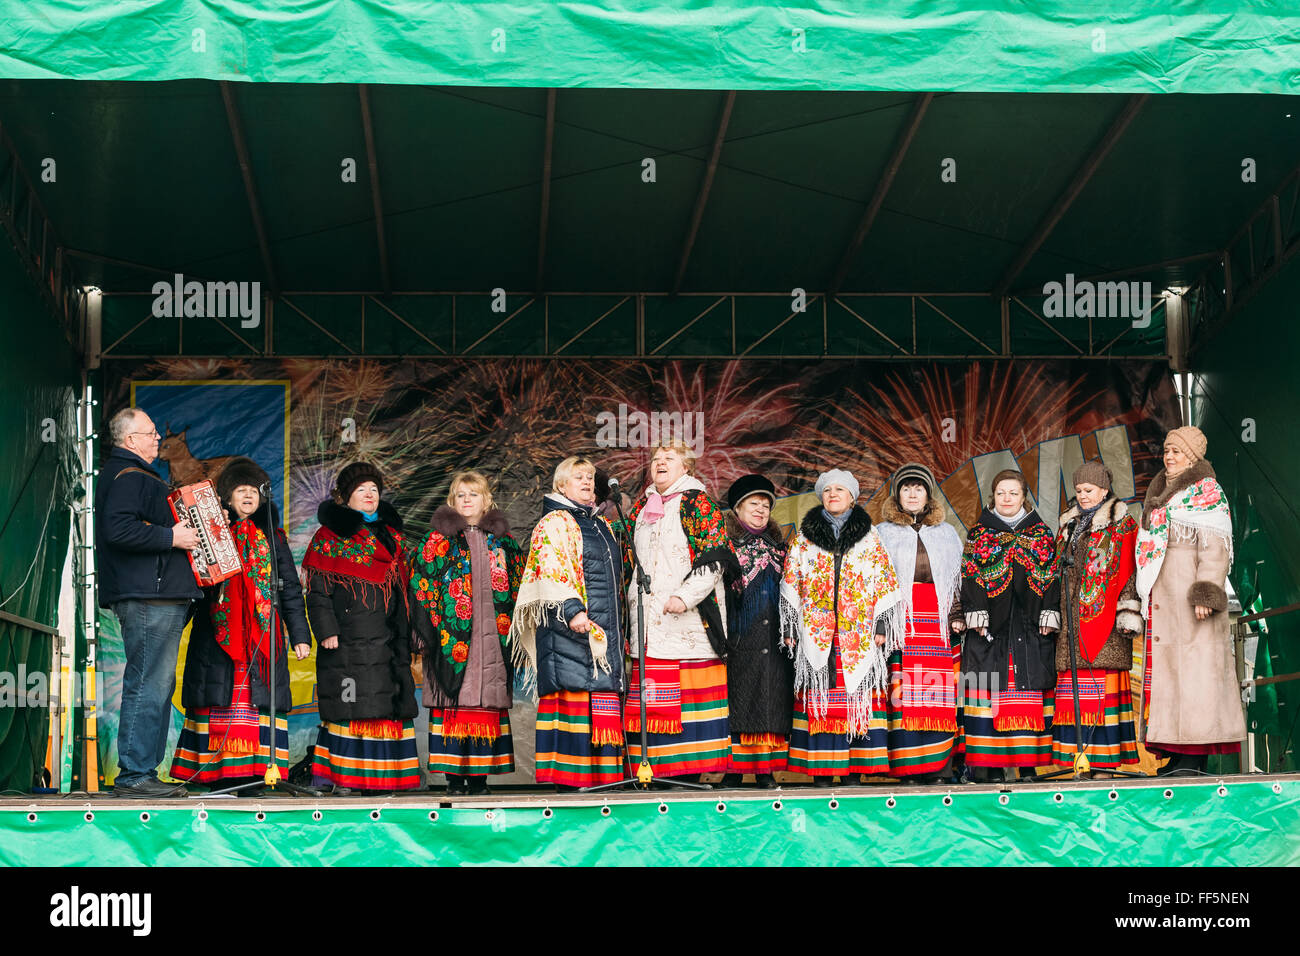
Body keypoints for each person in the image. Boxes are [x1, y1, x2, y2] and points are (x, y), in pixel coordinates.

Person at [171, 457, 312, 789]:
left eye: (253, 491)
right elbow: (194, 584)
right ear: (228, 497)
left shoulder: (272, 539)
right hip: (217, 636)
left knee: (257, 702)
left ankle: (259, 775)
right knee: (222, 700)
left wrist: (300, 635)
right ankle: (217, 776)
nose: (248, 497)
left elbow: (289, 587)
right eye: (240, 491)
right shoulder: (211, 534)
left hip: (262, 639)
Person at [96, 407, 201, 798]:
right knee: (148, 683)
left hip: (156, 593)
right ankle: (135, 774)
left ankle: (143, 772)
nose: (157, 438)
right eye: (151, 432)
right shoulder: (127, 476)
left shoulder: (137, 475)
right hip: (147, 595)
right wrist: (172, 538)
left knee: (156, 683)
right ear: (130, 441)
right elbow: (118, 528)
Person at [301, 462, 420, 794]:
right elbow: (318, 591)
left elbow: (408, 591)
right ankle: (344, 778)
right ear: (346, 497)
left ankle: (388, 778)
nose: (369, 495)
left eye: (374, 490)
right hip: (347, 643)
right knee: (350, 701)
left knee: (388, 702)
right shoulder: (329, 538)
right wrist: (325, 631)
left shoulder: (393, 538)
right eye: (361, 490)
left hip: (388, 641)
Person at [623, 441, 737, 781]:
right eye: (656, 458)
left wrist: (685, 597)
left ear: (685, 468)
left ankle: (686, 776)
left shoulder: (697, 502)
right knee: (652, 702)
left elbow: (716, 557)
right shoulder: (642, 508)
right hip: (648, 622)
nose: (660, 462)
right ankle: (652, 773)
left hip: (687, 622)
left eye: (669, 458)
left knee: (688, 707)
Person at [510, 456, 626, 791]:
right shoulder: (555, 522)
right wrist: (573, 610)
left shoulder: (600, 524)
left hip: (601, 627)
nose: (588, 482)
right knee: (576, 697)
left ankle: (604, 782)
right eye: (579, 477)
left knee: (600, 698)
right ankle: (574, 784)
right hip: (570, 629)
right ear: (562, 485)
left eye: (590, 477)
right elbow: (549, 570)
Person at [781, 469, 903, 786]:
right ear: (821, 497)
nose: (834, 494)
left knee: (857, 695)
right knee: (822, 697)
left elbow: (884, 584)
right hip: (816, 630)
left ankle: (853, 774)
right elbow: (792, 582)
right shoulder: (804, 537)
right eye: (828, 490)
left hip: (859, 631)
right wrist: (791, 626)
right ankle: (822, 772)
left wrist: (880, 624)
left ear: (852, 497)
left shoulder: (870, 537)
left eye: (841, 490)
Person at [1136, 426, 1244, 775]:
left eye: (1177, 452)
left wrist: (1206, 593)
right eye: (1167, 451)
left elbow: (1215, 548)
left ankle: (1195, 756)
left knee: (1196, 677)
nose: (1169, 457)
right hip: (1165, 600)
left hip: (1191, 598)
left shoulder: (1206, 492)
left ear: (1193, 456)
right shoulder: (1162, 493)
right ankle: (1174, 750)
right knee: (1169, 676)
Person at [410, 471, 524, 796]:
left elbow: (518, 589)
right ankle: (453, 780)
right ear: (452, 501)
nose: (467, 500)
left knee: (484, 703)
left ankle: (479, 779)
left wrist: (518, 635)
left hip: (492, 640)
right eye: (460, 495)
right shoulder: (437, 542)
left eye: (473, 494)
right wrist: (426, 632)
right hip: (452, 642)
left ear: (486, 500)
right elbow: (420, 586)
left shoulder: (504, 544)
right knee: (454, 702)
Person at [960, 469, 1060, 782]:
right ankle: (987, 768)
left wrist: (1049, 611)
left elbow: (1052, 576)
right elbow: (970, 575)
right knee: (987, 691)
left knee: (1025, 694)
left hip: (1028, 628)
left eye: (1013, 493)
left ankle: (1027, 767)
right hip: (989, 630)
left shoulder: (1041, 535)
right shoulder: (979, 534)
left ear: (1023, 497)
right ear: (993, 496)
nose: (1007, 499)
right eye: (1001, 493)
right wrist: (974, 610)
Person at [876, 463, 966, 784]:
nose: (912, 494)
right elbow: (876, 583)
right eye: (906, 488)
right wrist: (883, 625)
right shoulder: (882, 533)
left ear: (928, 494)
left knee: (938, 695)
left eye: (918, 488)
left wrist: (956, 614)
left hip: (937, 624)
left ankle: (940, 768)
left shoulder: (946, 533)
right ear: (897, 495)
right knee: (904, 696)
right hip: (903, 624)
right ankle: (908, 770)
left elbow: (957, 580)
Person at [1051, 460, 1142, 772]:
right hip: (1071, 626)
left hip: (1105, 625)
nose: (1083, 496)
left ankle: (1104, 765)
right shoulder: (1068, 527)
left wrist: (1128, 612)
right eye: (1078, 491)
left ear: (1104, 490)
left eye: (1089, 490)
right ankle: (1075, 764)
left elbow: (1131, 573)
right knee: (1073, 699)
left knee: (1101, 696)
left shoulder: (1123, 525)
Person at [719, 474, 793, 789]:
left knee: (769, 701)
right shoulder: (724, 545)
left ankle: (766, 770)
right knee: (738, 701)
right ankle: (733, 771)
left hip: (774, 637)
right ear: (738, 508)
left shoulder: (779, 548)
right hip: (738, 637)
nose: (761, 510)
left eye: (766, 505)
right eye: (754, 504)